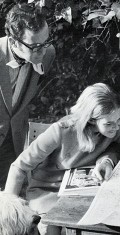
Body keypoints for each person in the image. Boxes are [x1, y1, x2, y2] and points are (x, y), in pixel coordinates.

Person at [5, 83, 120, 235]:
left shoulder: (114, 125)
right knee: (48, 227)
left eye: (119, 119)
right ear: (91, 120)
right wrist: (10, 212)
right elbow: (19, 167)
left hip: (83, 192)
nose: (117, 127)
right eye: (109, 123)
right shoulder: (60, 131)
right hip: (48, 191)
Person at [0, 3, 56, 188]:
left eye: (45, 42)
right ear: (14, 41)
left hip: (14, 140)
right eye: (35, 46)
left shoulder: (47, 54)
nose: (42, 51)